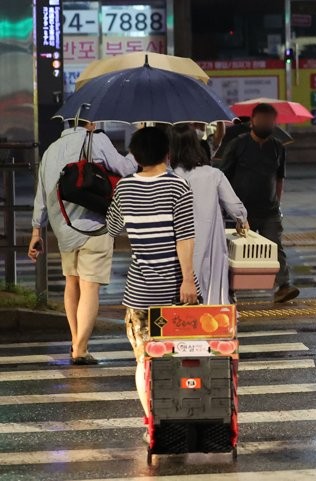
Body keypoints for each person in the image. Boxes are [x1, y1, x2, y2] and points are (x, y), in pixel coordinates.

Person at [106, 126, 199, 421]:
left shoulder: (124, 187)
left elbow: (112, 228)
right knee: (178, 357)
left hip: (139, 293)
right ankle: (177, 415)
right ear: (168, 154)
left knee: (145, 360)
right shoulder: (178, 187)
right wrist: (187, 279)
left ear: (134, 156)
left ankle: (152, 421)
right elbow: (185, 237)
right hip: (175, 290)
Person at [29, 120, 138, 365]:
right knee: (90, 287)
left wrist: (37, 231)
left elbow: (41, 194)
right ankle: (80, 348)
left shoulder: (51, 150)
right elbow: (124, 168)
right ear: (90, 123)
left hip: (64, 227)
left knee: (72, 284)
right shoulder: (97, 139)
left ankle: (77, 340)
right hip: (94, 225)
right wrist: (134, 152)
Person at [218, 103, 299, 303]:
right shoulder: (238, 145)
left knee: (275, 245)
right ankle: (230, 290)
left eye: (269, 121)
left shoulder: (277, 147)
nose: (265, 124)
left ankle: (284, 285)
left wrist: (277, 202)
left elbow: (280, 178)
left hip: (269, 210)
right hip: (241, 211)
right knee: (236, 252)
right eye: (261, 120)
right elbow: (223, 176)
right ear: (252, 121)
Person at [170, 125, 249, 305]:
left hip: (178, 245)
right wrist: (242, 219)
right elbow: (235, 206)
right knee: (211, 293)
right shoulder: (213, 174)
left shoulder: (170, 177)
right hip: (210, 244)